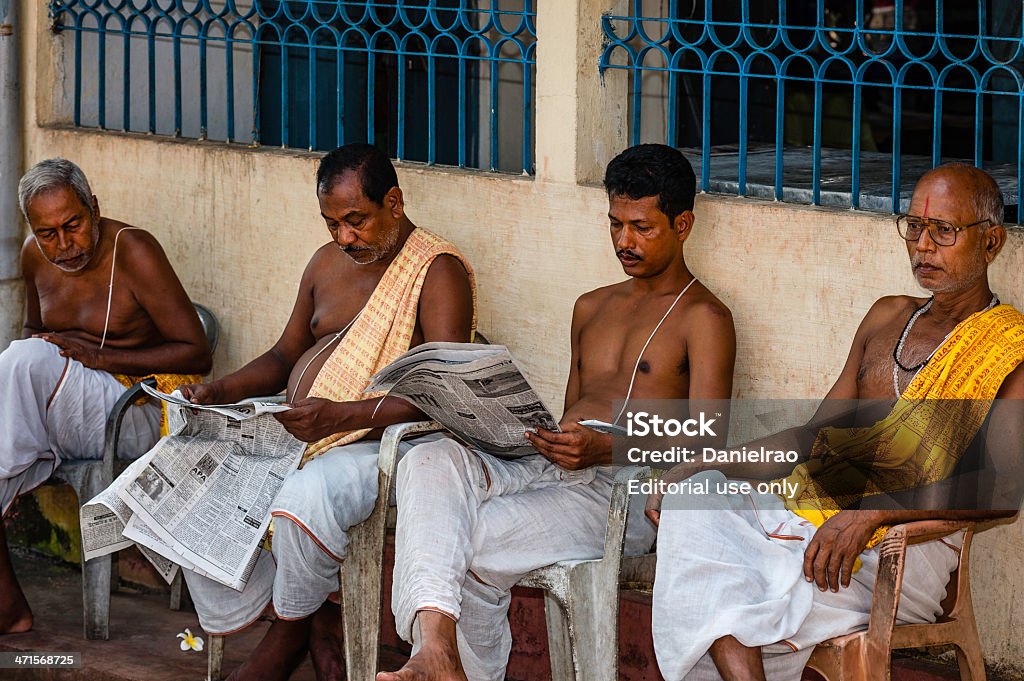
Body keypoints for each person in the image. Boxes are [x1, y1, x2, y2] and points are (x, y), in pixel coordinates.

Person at [646, 163, 1024, 681]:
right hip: (812, 513)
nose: (923, 245)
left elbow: (1003, 495)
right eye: (913, 226)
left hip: (901, 547)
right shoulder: (886, 316)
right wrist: (706, 463)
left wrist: (875, 516)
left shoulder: (1010, 348)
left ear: (992, 242)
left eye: (944, 230)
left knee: (720, 585)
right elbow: (811, 438)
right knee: (698, 501)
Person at [377, 144, 737, 681]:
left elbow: (709, 440)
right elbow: (567, 412)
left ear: (682, 223)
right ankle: (435, 653)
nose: (623, 241)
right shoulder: (591, 306)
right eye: (615, 224)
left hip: (622, 489)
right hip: (554, 465)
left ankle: (441, 660)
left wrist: (610, 447)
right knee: (428, 460)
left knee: (456, 539)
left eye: (642, 227)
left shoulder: (704, 317)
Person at [177, 143, 475, 681]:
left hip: (381, 442)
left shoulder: (436, 271)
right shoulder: (325, 262)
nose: (345, 237)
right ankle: (308, 618)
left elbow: (445, 392)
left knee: (302, 501)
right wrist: (219, 391)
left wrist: (342, 417)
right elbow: (283, 355)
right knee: (188, 470)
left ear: (395, 202)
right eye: (332, 223)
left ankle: (291, 628)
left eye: (356, 220)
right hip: (306, 425)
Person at [0, 158, 212, 634]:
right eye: (47, 232)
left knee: (22, 359)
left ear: (94, 209)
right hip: (69, 416)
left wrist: (99, 358)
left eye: (72, 225)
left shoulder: (132, 249)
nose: (63, 244)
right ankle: (9, 611)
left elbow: (196, 353)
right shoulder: (34, 255)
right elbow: (36, 331)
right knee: (26, 356)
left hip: (132, 414)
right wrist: (63, 357)